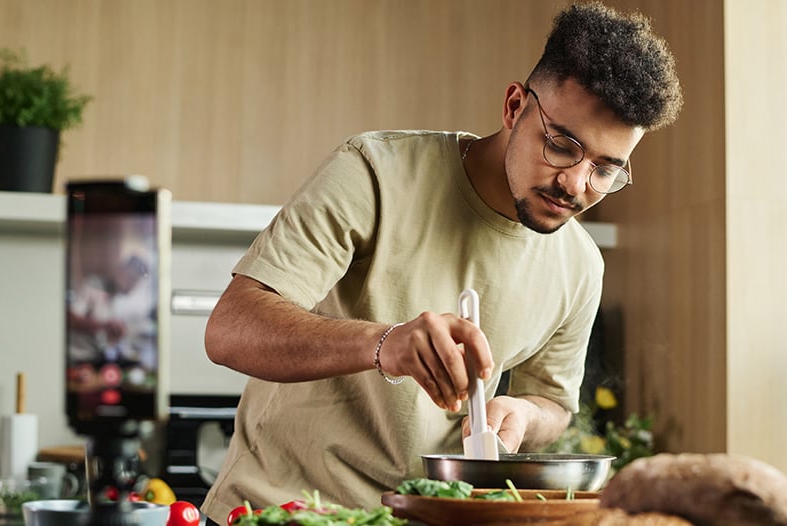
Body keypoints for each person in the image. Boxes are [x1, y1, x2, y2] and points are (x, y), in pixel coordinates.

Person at [200, 1, 682, 522]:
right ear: (515, 106)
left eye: (606, 169)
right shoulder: (376, 172)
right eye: (562, 145)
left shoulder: (581, 265)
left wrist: (521, 413)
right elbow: (230, 329)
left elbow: (553, 404)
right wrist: (384, 343)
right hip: (278, 511)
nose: (576, 183)